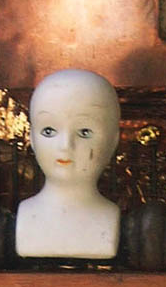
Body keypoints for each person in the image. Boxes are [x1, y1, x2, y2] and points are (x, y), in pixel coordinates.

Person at [15, 69, 121, 258]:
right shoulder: (24, 217)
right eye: (48, 131)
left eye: (84, 132)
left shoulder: (110, 219)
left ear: (113, 140)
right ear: (32, 138)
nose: (65, 146)